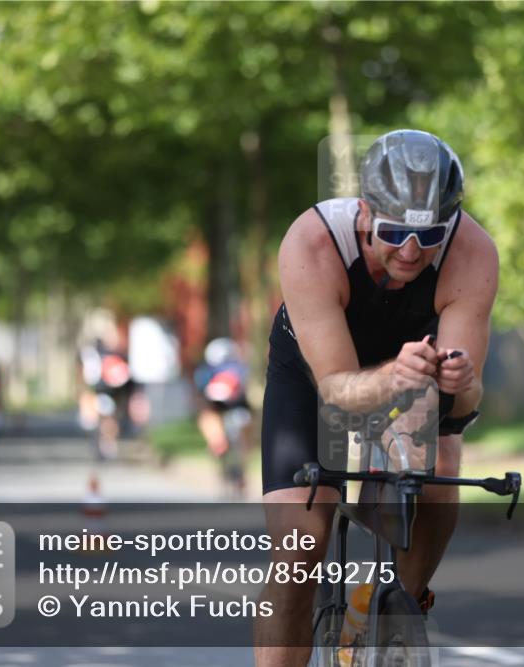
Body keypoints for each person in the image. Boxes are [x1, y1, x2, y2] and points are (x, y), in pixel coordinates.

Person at [254, 129, 497, 666]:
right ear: (365, 212)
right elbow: (338, 388)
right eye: (393, 233)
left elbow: (458, 408)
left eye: (430, 235)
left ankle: (394, 610)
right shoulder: (312, 242)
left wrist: (461, 384)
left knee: (437, 486)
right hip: (317, 371)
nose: (411, 251)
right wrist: (394, 378)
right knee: (299, 552)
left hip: (414, 373)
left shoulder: (472, 252)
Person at [194, 337, 252, 499]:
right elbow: (202, 397)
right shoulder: (206, 372)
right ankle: (222, 461)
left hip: (237, 409)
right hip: (215, 410)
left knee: (242, 432)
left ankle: (239, 472)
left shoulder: (240, 369)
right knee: (216, 437)